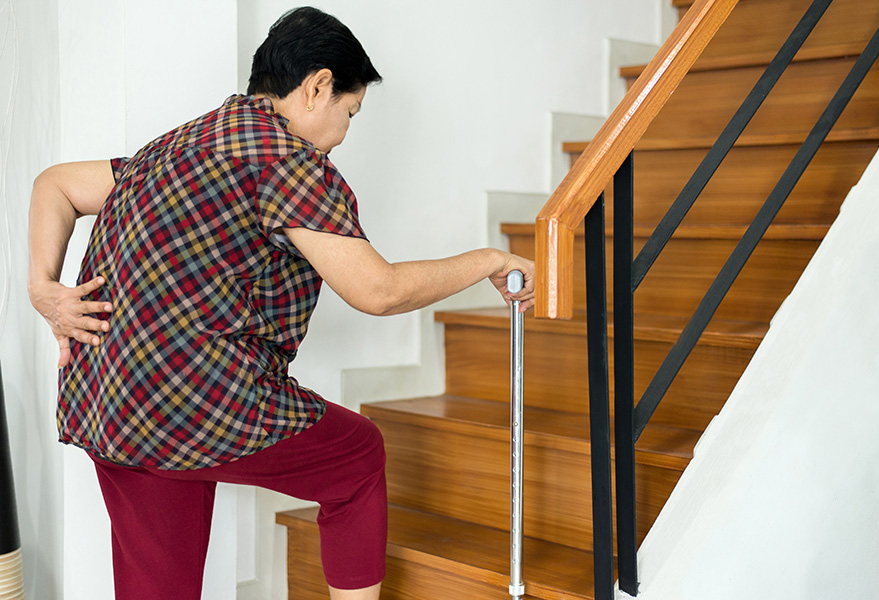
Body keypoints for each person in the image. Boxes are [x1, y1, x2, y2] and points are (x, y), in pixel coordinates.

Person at [27, 6, 534, 600]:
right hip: (192, 402)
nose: (344, 133)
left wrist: (43, 287)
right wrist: (491, 261)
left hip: (111, 398)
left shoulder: (180, 143)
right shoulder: (288, 161)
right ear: (318, 86)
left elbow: (54, 184)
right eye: (350, 112)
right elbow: (379, 289)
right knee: (358, 458)